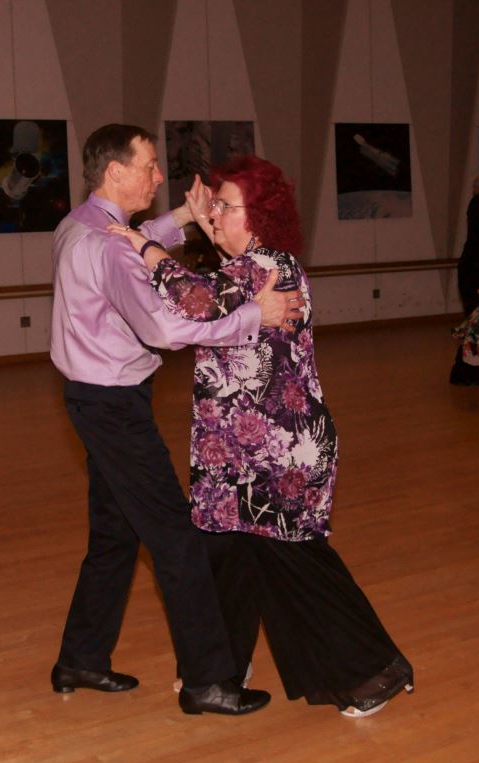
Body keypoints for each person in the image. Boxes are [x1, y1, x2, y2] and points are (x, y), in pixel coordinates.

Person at [111, 154, 414, 718]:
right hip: (232, 453)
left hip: (280, 454)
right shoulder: (242, 269)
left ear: (260, 216)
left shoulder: (271, 265)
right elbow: (215, 295)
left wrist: (144, 246)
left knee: (295, 565)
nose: (216, 214)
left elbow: (196, 300)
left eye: (227, 207)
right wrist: (205, 232)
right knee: (225, 557)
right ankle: (219, 669)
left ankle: (374, 672)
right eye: (217, 205)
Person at [50, 124, 305, 717]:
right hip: (114, 407)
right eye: (148, 165)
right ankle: (207, 682)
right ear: (116, 171)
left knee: (115, 537)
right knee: (176, 539)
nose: (158, 175)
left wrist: (183, 219)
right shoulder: (110, 246)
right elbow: (165, 330)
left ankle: (81, 658)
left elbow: (132, 239)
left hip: (91, 399)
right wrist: (254, 315)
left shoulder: (77, 225)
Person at [449, 166, 479, 385]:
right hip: (474, 274)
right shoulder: (477, 209)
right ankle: (463, 371)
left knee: (476, 323)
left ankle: (465, 370)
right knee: (475, 322)